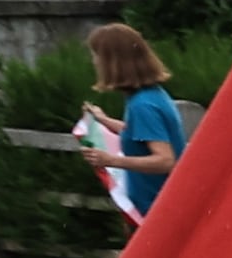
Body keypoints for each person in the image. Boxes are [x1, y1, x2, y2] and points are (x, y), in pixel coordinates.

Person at [79, 25, 192, 235]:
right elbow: (139, 135)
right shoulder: (151, 95)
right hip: (155, 212)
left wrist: (110, 161)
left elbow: (165, 160)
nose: (94, 62)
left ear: (113, 62)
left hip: (157, 217)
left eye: (97, 56)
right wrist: (104, 120)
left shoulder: (142, 105)